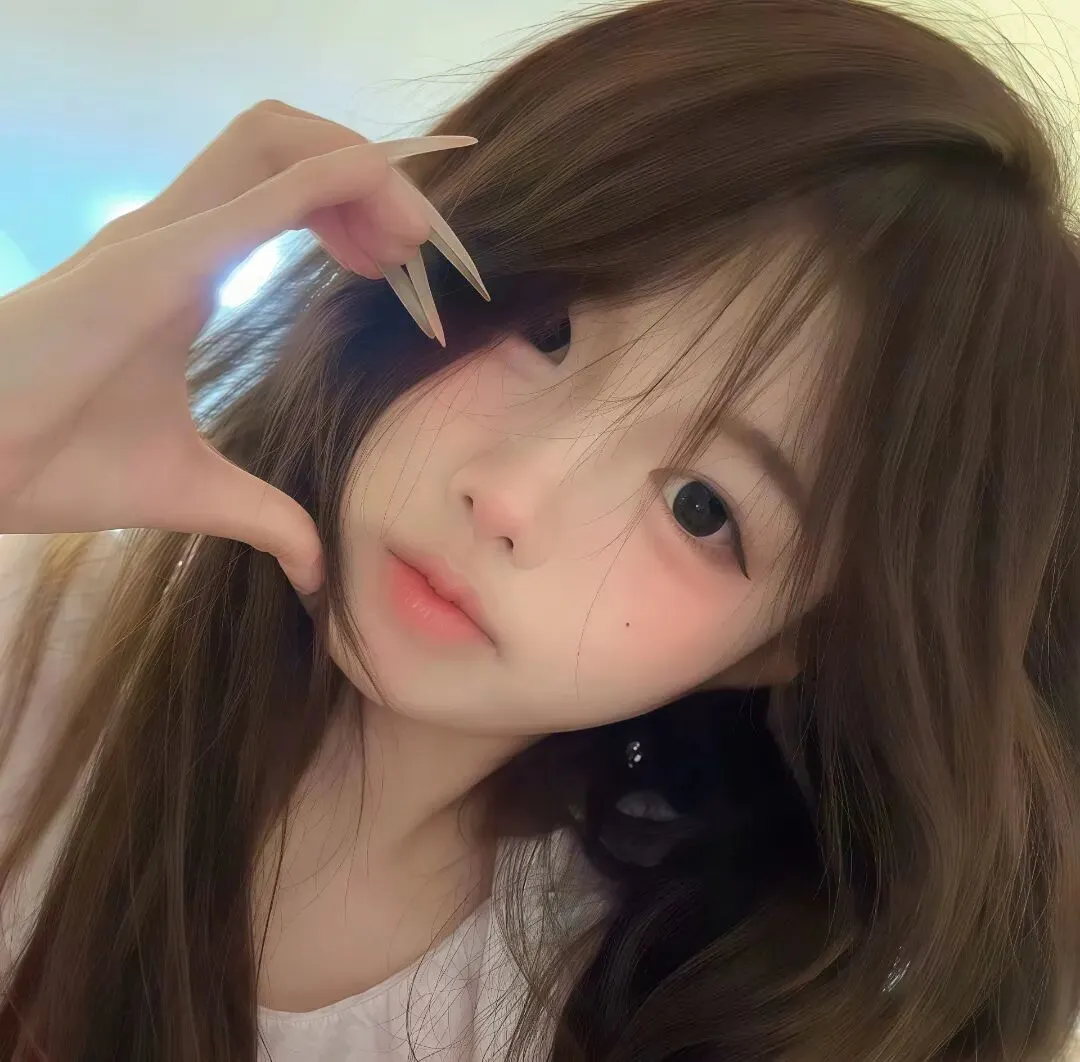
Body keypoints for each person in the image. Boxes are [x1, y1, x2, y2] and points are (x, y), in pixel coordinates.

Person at [0, 0, 1078, 1058]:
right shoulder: (34, 646)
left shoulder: (623, 1001)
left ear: (785, 645)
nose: (513, 496)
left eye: (702, 506)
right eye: (547, 328)